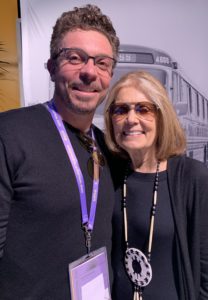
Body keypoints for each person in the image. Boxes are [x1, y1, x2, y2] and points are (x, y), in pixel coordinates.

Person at [0, 4, 119, 299]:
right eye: (75, 58)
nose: (90, 72)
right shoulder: (9, 134)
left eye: (102, 63)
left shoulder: (110, 149)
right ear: (52, 68)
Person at [104, 70, 208, 299]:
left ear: (162, 116)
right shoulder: (109, 174)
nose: (131, 118)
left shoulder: (193, 177)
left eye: (143, 109)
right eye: (120, 109)